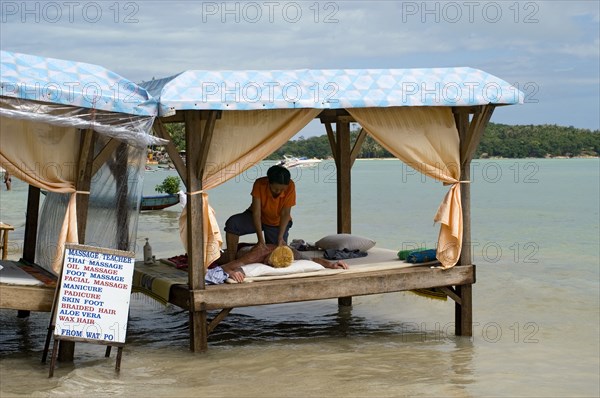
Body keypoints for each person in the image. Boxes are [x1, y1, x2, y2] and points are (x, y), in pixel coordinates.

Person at [224, 165, 295, 261]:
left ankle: (245, 252)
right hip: (258, 217)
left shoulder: (291, 186)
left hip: (277, 222)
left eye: (282, 190)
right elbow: (256, 213)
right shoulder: (259, 184)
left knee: (277, 254)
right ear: (268, 182)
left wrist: (280, 237)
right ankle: (231, 259)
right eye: (275, 189)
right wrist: (260, 241)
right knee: (233, 223)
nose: (278, 192)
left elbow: (285, 213)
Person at [221, 243, 349, 283]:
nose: (269, 266)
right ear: (267, 257)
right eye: (268, 263)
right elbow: (225, 267)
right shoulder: (256, 255)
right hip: (242, 249)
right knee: (219, 256)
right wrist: (231, 272)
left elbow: (313, 260)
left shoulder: (291, 252)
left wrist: (332, 265)